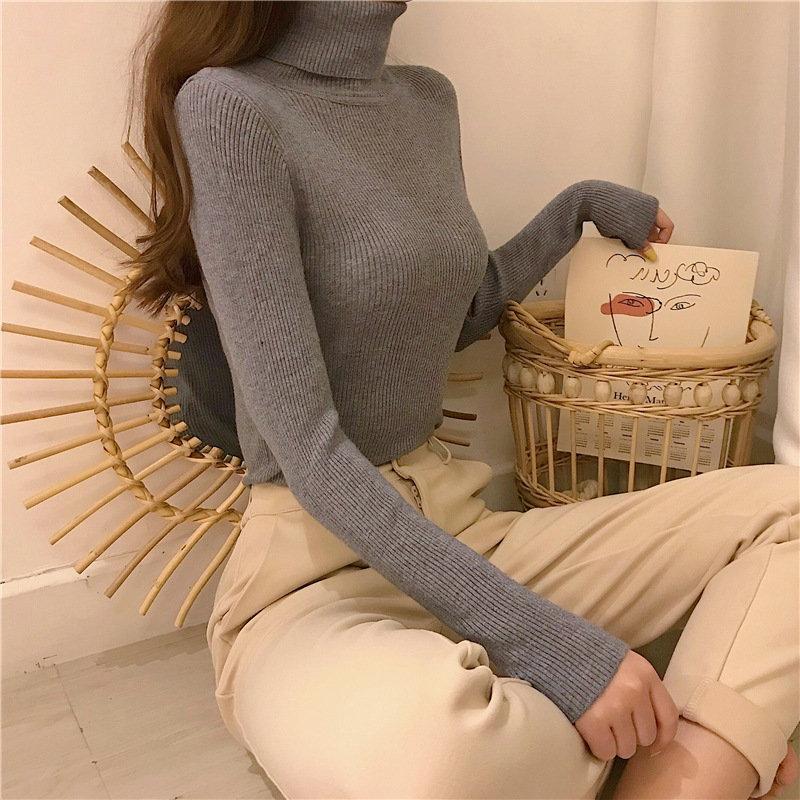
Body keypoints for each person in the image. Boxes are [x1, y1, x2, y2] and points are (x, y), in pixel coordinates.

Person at [125, 2, 799, 797]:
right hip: (312, 573)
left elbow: (460, 311)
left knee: (790, 509)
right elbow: (307, 451)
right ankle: (720, 751)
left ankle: (681, 769)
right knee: (441, 754)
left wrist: (576, 208)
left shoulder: (426, 100)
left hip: (464, 531)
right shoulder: (229, 106)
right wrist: (554, 650)